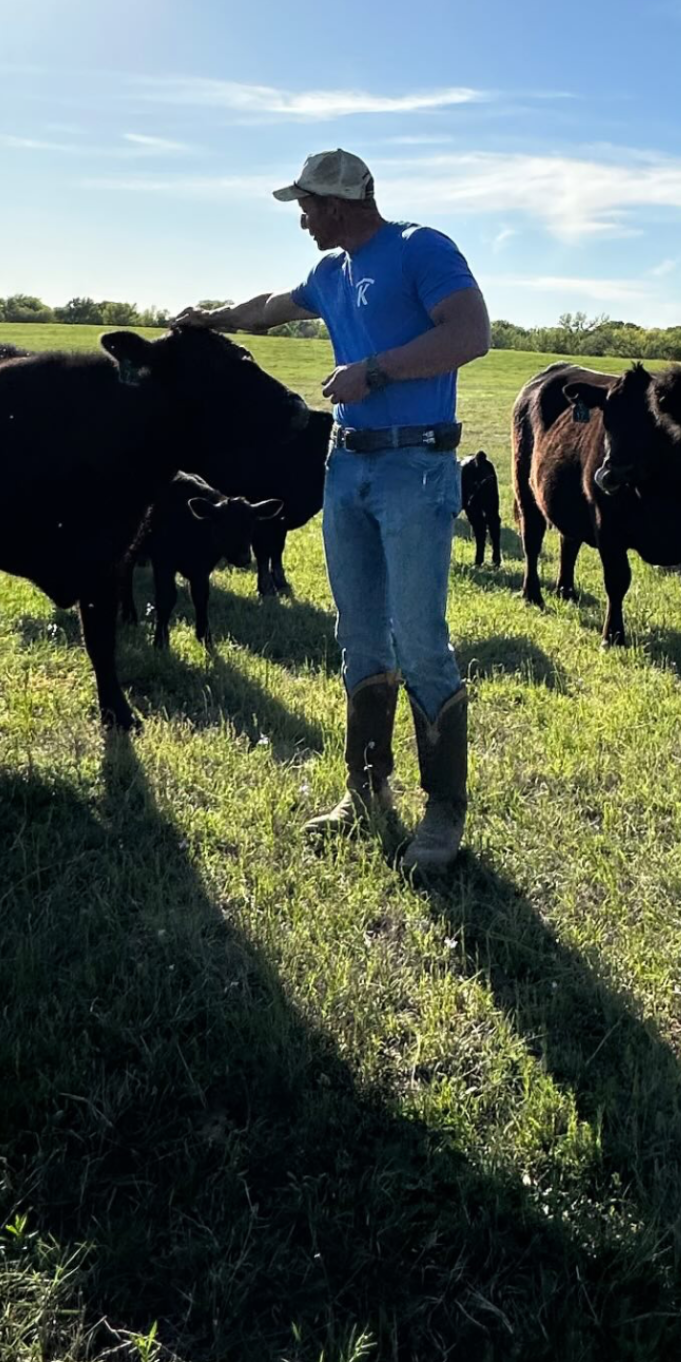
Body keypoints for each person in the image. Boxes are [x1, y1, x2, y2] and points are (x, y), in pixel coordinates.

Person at [173, 148, 490, 871]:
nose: (303, 220)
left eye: (307, 207)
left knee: (419, 639)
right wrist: (211, 319)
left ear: (339, 203)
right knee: (358, 636)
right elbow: (269, 309)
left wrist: (374, 371)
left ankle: (443, 817)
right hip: (346, 467)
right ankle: (366, 792)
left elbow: (470, 334)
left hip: (414, 466)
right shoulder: (330, 273)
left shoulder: (420, 248)